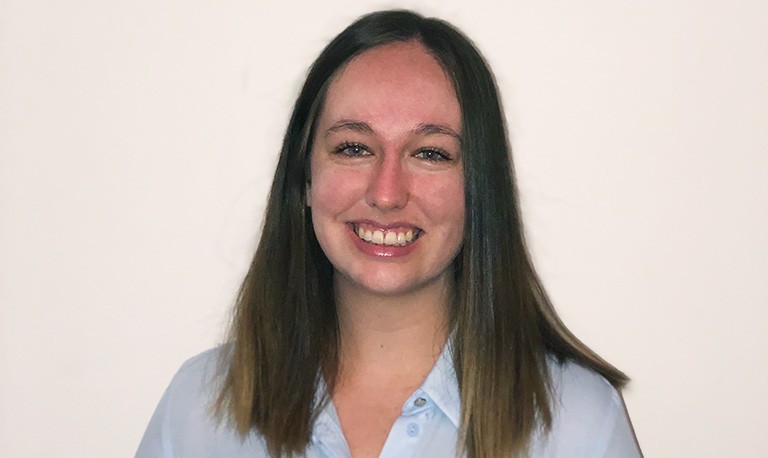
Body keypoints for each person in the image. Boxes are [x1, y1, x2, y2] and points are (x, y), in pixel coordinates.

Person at [136, 9, 641, 458]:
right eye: (354, 148)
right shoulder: (200, 408)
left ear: (479, 189)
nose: (387, 192)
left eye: (431, 153)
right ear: (304, 178)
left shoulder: (576, 422)